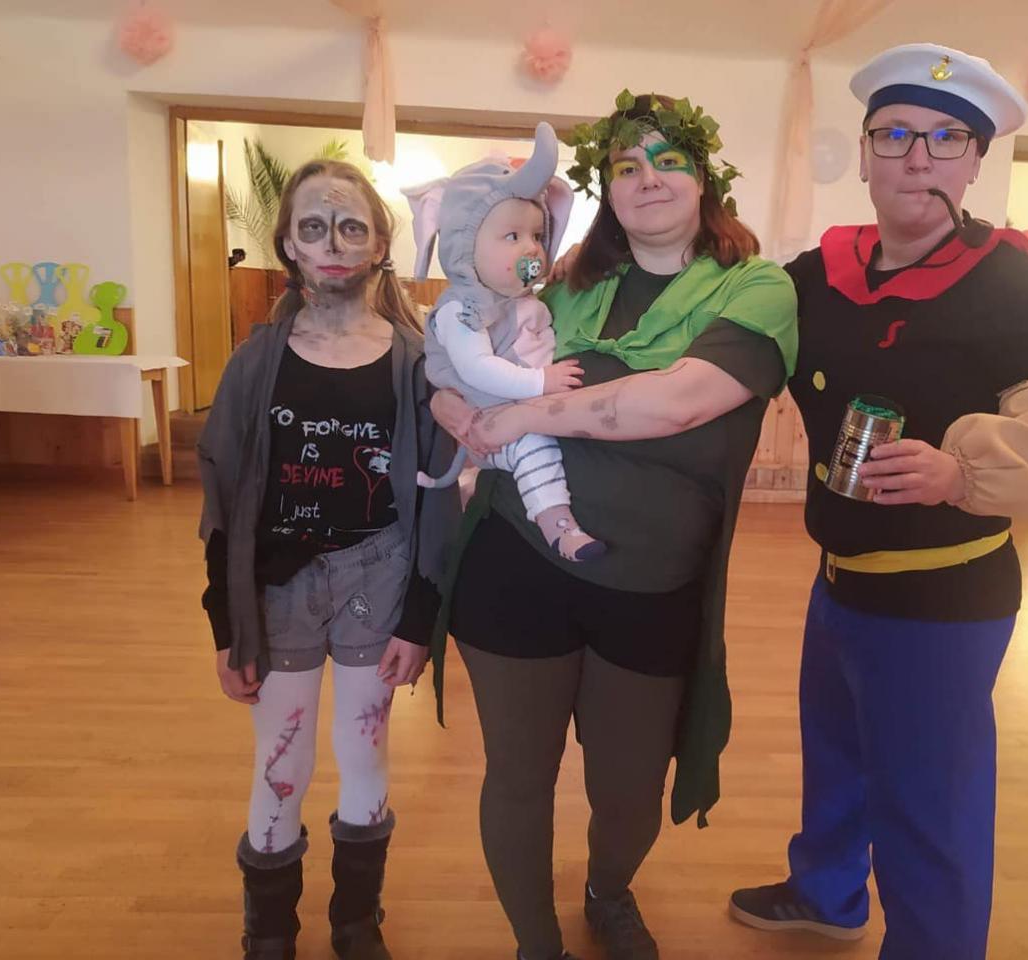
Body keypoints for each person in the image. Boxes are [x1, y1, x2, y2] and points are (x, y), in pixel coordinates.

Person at [725, 43, 1028, 959]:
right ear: (864, 153)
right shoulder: (815, 276)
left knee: (928, 804)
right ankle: (827, 894)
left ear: (975, 162)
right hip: (839, 579)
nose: (919, 156)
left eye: (948, 138)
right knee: (837, 756)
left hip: (944, 597)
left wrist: (963, 474)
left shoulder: (1014, 284)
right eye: (897, 134)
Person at [428, 91, 798, 960]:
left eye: (669, 160)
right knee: (518, 774)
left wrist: (521, 417)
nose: (648, 179)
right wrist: (451, 401)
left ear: (705, 179)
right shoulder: (563, 284)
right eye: (627, 166)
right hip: (517, 559)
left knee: (630, 789)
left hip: (654, 579)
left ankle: (607, 889)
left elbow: (675, 403)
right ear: (608, 189)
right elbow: (456, 340)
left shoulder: (757, 287)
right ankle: (536, 943)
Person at [197, 159, 459, 960]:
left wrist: (420, 618)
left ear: (380, 245)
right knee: (282, 757)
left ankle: (354, 918)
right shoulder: (256, 363)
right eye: (314, 227)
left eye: (351, 227)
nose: (333, 243)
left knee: (364, 747)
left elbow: (437, 496)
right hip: (277, 587)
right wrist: (224, 622)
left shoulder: (416, 363)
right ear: (289, 245)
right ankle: (270, 926)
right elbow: (222, 493)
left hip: (379, 575)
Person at [404, 121, 604, 560]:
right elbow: (476, 368)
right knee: (535, 447)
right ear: (466, 246)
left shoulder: (521, 300)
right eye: (513, 236)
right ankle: (558, 526)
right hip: (492, 420)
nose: (531, 249)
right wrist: (541, 382)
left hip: (521, 412)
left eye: (537, 236)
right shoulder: (462, 308)